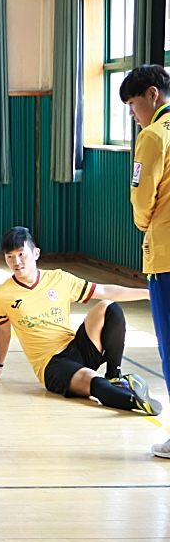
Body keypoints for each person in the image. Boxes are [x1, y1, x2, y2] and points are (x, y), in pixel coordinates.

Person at [0, 227, 159, 415]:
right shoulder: (2, 294)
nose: (17, 262)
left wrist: (150, 293)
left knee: (108, 305)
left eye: (22, 254)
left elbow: (104, 291)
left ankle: (114, 376)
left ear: (36, 253)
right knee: (92, 381)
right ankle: (134, 402)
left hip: (76, 347)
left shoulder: (58, 278)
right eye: (10, 257)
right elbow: (4, 331)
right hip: (52, 364)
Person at [122, 65, 170, 456]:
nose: (133, 113)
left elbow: (142, 199)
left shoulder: (153, 136)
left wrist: (143, 224)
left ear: (152, 95)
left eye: (133, 104)